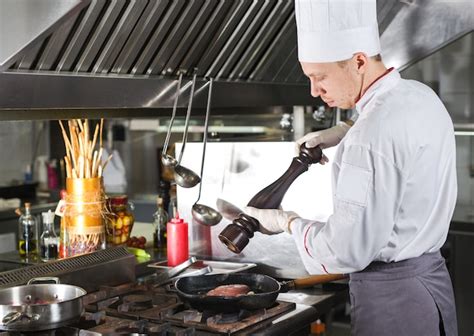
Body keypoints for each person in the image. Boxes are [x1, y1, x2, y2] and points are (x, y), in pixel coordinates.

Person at [245, 0, 458, 335]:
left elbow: (348, 250)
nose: (315, 91)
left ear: (359, 61)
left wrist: (289, 223)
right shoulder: (418, 96)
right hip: (430, 289)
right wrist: (345, 130)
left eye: (320, 77)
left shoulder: (369, 139)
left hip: (394, 303)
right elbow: (394, 133)